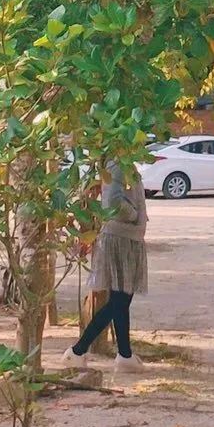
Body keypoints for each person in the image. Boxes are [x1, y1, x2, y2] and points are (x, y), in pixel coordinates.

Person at [63, 159, 149, 373]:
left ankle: (124, 355)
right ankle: (77, 351)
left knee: (121, 298)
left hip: (126, 236)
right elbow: (112, 200)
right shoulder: (117, 163)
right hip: (120, 237)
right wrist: (134, 215)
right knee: (120, 299)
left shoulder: (123, 161)